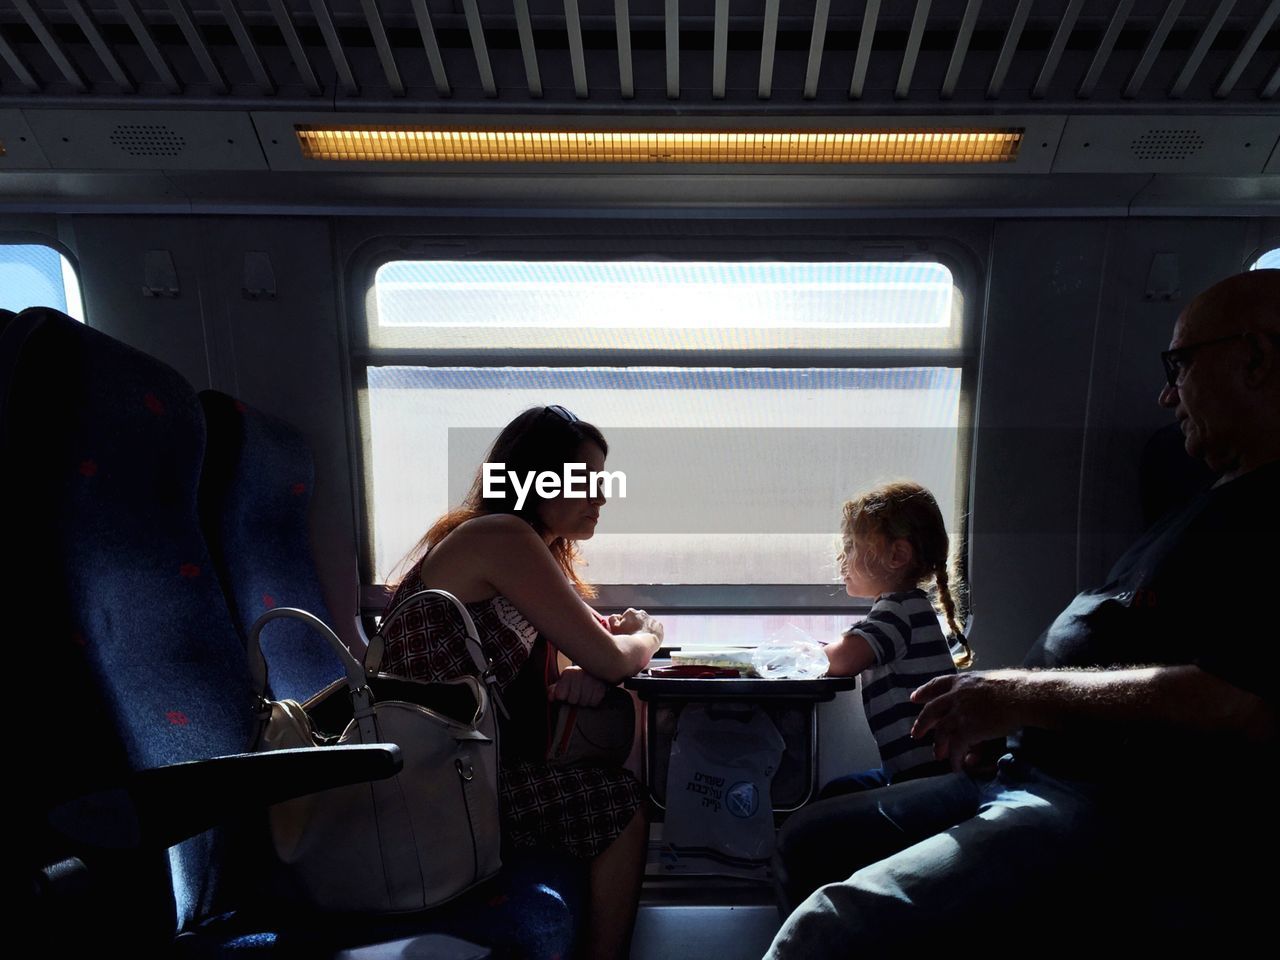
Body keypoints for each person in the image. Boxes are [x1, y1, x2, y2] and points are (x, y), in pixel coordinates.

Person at [767, 269, 1280, 955]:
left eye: (1179, 364)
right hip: (1025, 765)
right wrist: (1005, 717)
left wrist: (1020, 694)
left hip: (1111, 801)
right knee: (809, 840)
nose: (1165, 393)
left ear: (1254, 359)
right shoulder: (1208, 502)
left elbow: (1236, 700)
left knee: (825, 931)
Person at [379, 404, 663, 960]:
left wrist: (582, 668)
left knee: (605, 778)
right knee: (624, 805)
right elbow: (611, 657)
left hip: (454, 768)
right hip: (426, 782)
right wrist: (647, 636)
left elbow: (580, 661)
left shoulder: (523, 551)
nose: (601, 497)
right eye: (586, 480)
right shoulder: (501, 537)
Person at [819, 481, 972, 794]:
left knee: (833, 797)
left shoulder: (898, 611)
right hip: (922, 774)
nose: (841, 559)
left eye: (851, 546)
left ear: (897, 555)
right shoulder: (910, 608)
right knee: (839, 791)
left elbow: (844, 660)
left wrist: (801, 656)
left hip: (925, 781)